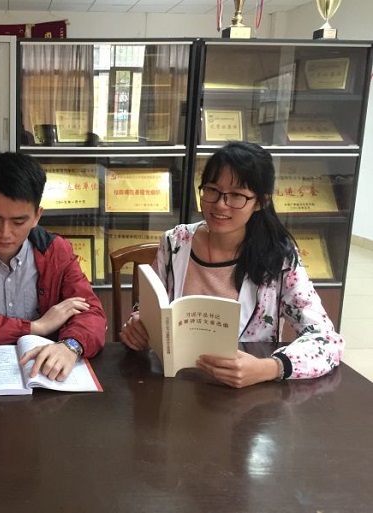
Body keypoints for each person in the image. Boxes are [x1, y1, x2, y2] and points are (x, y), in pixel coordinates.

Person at [120, 141, 344, 388]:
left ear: (261, 201)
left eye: (236, 195)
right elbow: (151, 308)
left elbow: (327, 340)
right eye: (212, 190)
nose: (220, 204)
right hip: (176, 383)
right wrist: (138, 324)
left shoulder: (278, 257)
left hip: (248, 392)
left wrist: (269, 368)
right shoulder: (175, 242)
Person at [0, 152, 106, 381]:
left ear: (37, 216)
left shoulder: (56, 252)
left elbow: (91, 313)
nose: (5, 233)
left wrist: (70, 346)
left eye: (18, 222)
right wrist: (35, 327)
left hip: (43, 375)